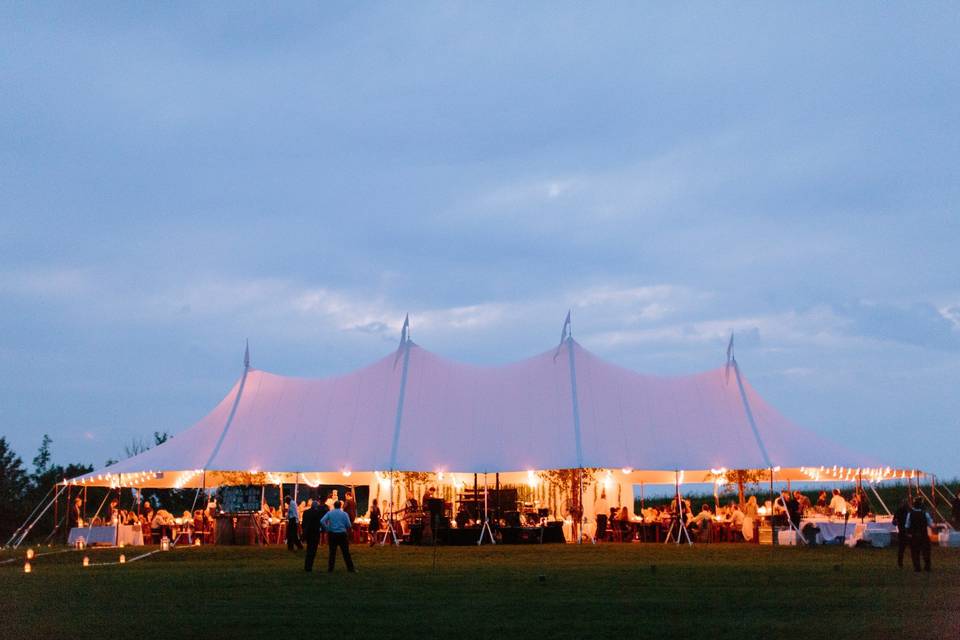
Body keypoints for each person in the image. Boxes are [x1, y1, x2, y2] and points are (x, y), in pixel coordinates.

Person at [320, 500, 355, 573]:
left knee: (332, 552)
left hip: (332, 534)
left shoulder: (330, 513)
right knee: (346, 552)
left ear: (334, 506)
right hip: (342, 534)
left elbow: (322, 521)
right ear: (340, 506)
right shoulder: (344, 514)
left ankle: (330, 569)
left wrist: (327, 528)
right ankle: (350, 568)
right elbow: (349, 525)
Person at [904, 496, 934, 572]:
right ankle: (927, 567)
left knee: (915, 553)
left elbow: (907, 525)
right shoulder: (925, 514)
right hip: (924, 535)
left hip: (914, 536)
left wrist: (908, 533)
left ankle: (917, 567)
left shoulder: (910, 514)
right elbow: (931, 525)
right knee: (926, 552)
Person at [302, 498, 323, 572]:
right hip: (315, 532)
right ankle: (309, 566)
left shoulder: (306, 512)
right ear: (316, 506)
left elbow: (303, 522)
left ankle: (307, 566)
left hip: (308, 532)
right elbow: (320, 522)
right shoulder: (317, 513)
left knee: (309, 548)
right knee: (313, 550)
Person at [893, 499, 910, 568]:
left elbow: (894, 522)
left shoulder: (909, 511)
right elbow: (894, 522)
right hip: (903, 532)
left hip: (907, 532)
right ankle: (900, 563)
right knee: (901, 549)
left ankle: (901, 563)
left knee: (903, 549)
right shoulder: (899, 511)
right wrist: (896, 522)